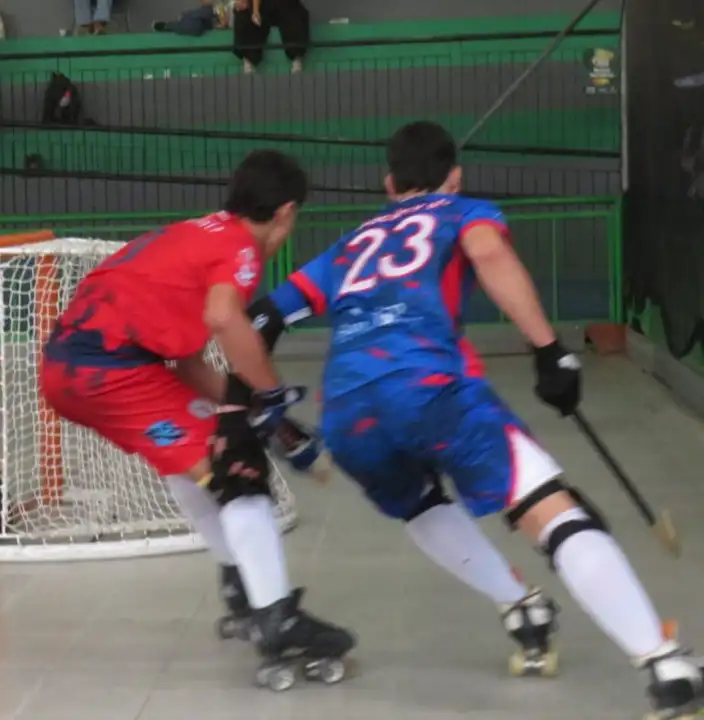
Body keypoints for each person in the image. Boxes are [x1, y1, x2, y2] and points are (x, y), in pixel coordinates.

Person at [241, 120, 702, 716]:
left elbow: (261, 321)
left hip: (348, 411)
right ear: (453, 178)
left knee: (420, 504)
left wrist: (263, 404)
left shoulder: (351, 244)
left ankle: (521, 606)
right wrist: (547, 351)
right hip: (431, 389)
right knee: (547, 508)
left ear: (388, 183)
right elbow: (488, 254)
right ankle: (665, 664)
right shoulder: (463, 212)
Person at [38, 149, 356, 689]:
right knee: (239, 468)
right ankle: (277, 616)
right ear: (285, 213)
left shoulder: (193, 234)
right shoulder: (241, 248)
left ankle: (240, 582)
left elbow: (186, 360)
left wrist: (255, 411)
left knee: (195, 457)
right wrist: (273, 398)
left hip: (76, 370)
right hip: (109, 370)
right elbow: (224, 319)